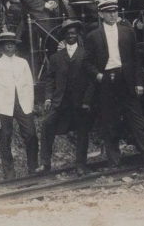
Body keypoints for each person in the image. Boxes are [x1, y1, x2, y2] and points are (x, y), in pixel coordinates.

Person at [83, 0, 144, 173]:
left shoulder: (127, 32)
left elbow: (136, 59)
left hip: (126, 80)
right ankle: (114, 164)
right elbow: (86, 62)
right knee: (110, 124)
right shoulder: (93, 36)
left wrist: (139, 82)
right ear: (101, 14)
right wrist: (98, 75)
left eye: (115, 11)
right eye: (108, 12)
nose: (113, 14)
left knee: (139, 125)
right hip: (106, 80)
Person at [38, 19, 93, 175]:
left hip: (80, 101)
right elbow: (50, 79)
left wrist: (87, 101)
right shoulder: (56, 57)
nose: (70, 36)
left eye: (73, 33)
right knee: (47, 124)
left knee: (82, 130)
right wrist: (48, 98)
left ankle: (81, 165)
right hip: (60, 101)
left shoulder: (85, 54)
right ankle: (45, 163)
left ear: (77, 35)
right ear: (63, 36)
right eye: (67, 33)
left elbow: (91, 80)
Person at [0, 30, 39, 179]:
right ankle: (9, 174)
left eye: (12, 44)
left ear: (15, 46)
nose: (10, 47)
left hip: (22, 104)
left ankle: (33, 168)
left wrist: (30, 104)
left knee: (31, 135)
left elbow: (29, 84)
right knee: (5, 138)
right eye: (6, 44)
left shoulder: (23, 63)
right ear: (1, 46)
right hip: (3, 107)